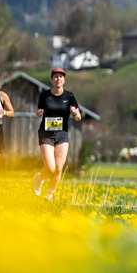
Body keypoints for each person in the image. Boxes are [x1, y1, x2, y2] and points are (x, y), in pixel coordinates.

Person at [32, 67, 82, 201]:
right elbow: (39, 110)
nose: (58, 79)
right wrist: (38, 113)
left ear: (64, 80)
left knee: (59, 168)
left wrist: (75, 113)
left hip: (62, 134)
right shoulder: (45, 95)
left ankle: (49, 197)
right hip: (46, 134)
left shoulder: (69, 96)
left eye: (61, 76)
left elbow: (79, 118)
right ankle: (39, 178)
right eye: (55, 77)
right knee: (50, 167)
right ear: (51, 80)